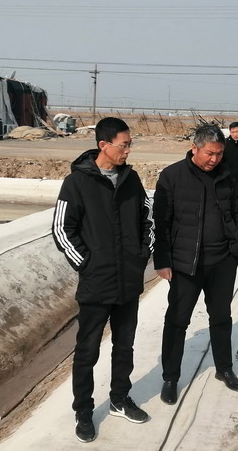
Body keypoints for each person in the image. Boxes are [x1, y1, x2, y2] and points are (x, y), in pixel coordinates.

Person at [52, 117, 154, 443]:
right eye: (124, 145)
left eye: (130, 145)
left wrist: (141, 255)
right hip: (96, 283)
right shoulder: (77, 183)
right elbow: (61, 229)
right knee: (88, 351)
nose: (128, 150)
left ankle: (120, 399)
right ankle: (83, 410)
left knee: (124, 346)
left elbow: (148, 218)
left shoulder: (130, 179)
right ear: (103, 145)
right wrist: (86, 264)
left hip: (128, 281)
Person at [152, 124, 238, 405]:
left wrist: (236, 246)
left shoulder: (226, 174)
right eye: (209, 153)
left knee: (221, 317)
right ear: (194, 148)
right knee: (177, 320)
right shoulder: (172, 176)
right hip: (186, 264)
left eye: (219, 154)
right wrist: (162, 260)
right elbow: (161, 222)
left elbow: (237, 212)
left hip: (222, 261)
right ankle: (171, 377)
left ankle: (224, 368)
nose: (214, 159)